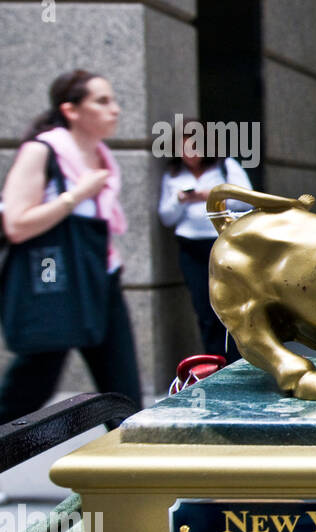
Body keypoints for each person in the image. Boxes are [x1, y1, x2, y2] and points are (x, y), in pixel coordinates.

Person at [0, 70, 142, 421]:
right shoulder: (42, 151)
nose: (116, 109)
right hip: (56, 283)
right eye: (102, 101)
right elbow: (16, 224)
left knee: (123, 394)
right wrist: (76, 195)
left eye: (114, 100)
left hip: (101, 280)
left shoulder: (102, 157)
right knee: (30, 385)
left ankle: (134, 470)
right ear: (71, 110)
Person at [157, 121, 253, 361]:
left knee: (231, 305)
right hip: (191, 246)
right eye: (185, 148)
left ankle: (239, 360)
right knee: (204, 309)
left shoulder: (225, 166)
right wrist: (180, 200)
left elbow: (247, 200)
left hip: (222, 245)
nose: (191, 154)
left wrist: (210, 196)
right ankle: (214, 364)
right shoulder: (173, 175)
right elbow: (166, 217)